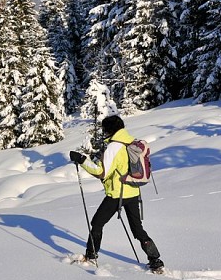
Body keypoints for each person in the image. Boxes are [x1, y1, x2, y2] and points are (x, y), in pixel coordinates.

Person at [69, 115, 164, 272]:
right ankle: (155, 261)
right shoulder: (130, 141)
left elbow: (101, 172)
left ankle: (91, 256)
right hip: (133, 192)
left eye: (104, 129)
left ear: (109, 130)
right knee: (137, 230)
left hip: (116, 194)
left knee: (97, 223)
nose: (103, 132)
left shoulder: (114, 146)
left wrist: (82, 160)